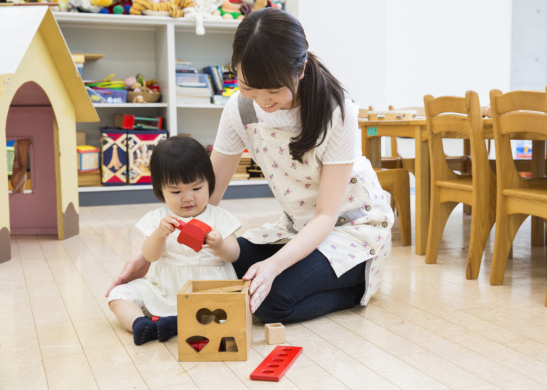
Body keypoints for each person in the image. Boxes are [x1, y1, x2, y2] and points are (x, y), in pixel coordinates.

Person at [107, 7, 393, 324]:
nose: (261, 100)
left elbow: (326, 216)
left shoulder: (338, 112)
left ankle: (358, 286)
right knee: (230, 262)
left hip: (349, 231)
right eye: (248, 87)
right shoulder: (240, 108)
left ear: (301, 70)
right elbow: (208, 194)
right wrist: (151, 253)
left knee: (268, 302)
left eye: (273, 90)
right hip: (297, 229)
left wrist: (273, 267)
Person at [107, 136, 241, 345]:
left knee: (226, 311)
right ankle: (141, 325)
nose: (188, 198)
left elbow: (234, 255)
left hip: (206, 291)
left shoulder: (219, 217)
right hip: (163, 288)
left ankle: (175, 322)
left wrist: (220, 245)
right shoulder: (157, 218)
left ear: (209, 184)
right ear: (161, 189)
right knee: (117, 295)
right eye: (176, 191)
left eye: (197, 188)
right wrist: (159, 234)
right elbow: (150, 255)